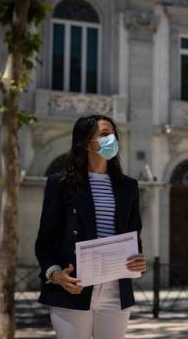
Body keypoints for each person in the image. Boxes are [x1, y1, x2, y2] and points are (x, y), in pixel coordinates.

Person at [35, 114, 147, 339]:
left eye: (113, 134)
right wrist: (54, 274)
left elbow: (134, 236)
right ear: (86, 142)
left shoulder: (128, 186)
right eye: (105, 134)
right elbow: (46, 240)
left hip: (116, 289)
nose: (111, 138)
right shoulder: (60, 184)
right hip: (74, 287)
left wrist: (138, 261)